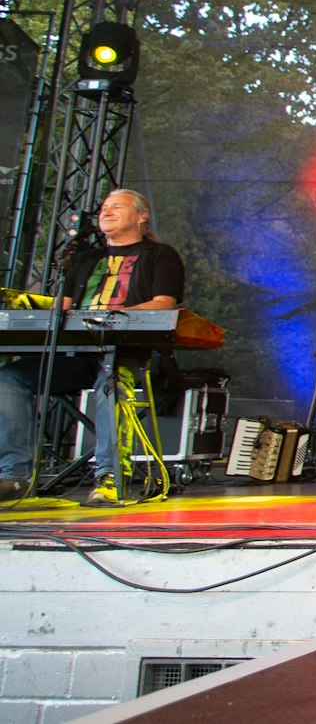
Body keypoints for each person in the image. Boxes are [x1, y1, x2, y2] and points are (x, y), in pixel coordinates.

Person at [0, 189, 186, 506]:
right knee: (8, 380)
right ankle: (14, 476)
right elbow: (65, 309)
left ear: (141, 216)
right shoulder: (86, 260)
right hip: (77, 357)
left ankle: (110, 478)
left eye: (117, 206)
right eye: (104, 207)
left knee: (111, 383)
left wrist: (112, 317)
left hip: (128, 356)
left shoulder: (160, 255)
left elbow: (163, 304)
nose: (106, 211)